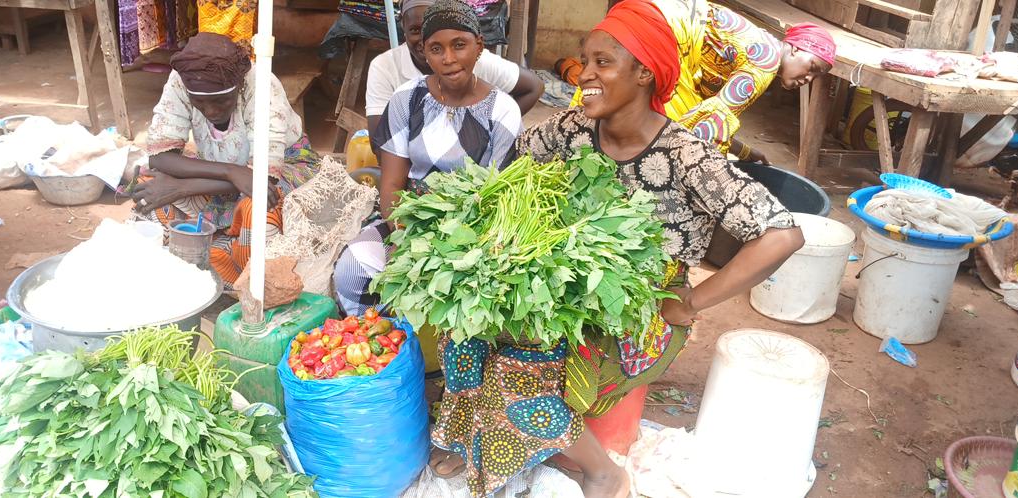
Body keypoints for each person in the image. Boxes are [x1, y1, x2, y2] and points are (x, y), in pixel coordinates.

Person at [428, 1, 806, 497]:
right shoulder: (571, 131)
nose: (584, 75)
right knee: (466, 328)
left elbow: (783, 233)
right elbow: (509, 172)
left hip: (637, 303)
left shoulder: (688, 156)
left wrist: (690, 302)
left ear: (646, 74)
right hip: (563, 279)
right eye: (585, 61)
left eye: (603, 64)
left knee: (524, 363)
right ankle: (468, 433)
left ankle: (601, 469)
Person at [334, 0, 522, 317]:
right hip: (408, 218)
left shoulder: (502, 111)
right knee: (351, 274)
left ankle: (424, 340)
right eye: (436, 49)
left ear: (479, 46)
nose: (448, 59)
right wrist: (401, 237)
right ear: (425, 51)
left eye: (459, 45)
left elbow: (496, 197)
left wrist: (448, 248)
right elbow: (393, 181)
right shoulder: (407, 98)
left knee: (454, 293)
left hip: (472, 230)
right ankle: (385, 338)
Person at [132, 33, 324, 288]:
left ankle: (240, 278)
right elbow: (160, 158)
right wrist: (231, 172)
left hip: (285, 167)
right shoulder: (181, 80)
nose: (211, 111)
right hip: (223, 173)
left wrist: (182, 187)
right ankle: (204, 254)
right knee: (149, 184)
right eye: (199, 102)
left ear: (240, 85)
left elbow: (261, 180)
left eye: (222, 100)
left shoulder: (261, 85)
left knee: (258, 206)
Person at [573, 0, 836, 163]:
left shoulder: (759, 47)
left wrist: (743, 151)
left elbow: (707, 111)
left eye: (817, 76)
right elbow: (711, 126)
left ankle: (578, 151)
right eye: (812, 66)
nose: (808, 78)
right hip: (665, 29)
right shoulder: (765, 61)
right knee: (647, 122)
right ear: (794, 49)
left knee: (619, 106)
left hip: (652, 13)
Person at [364, 0, 544, 138]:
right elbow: (380, 140)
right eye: (415, 30)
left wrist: (494, 127)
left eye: (432, 30)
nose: (424, 40)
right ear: (403, 28)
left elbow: (534, 87)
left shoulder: (473, 61)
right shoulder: (385, 67)